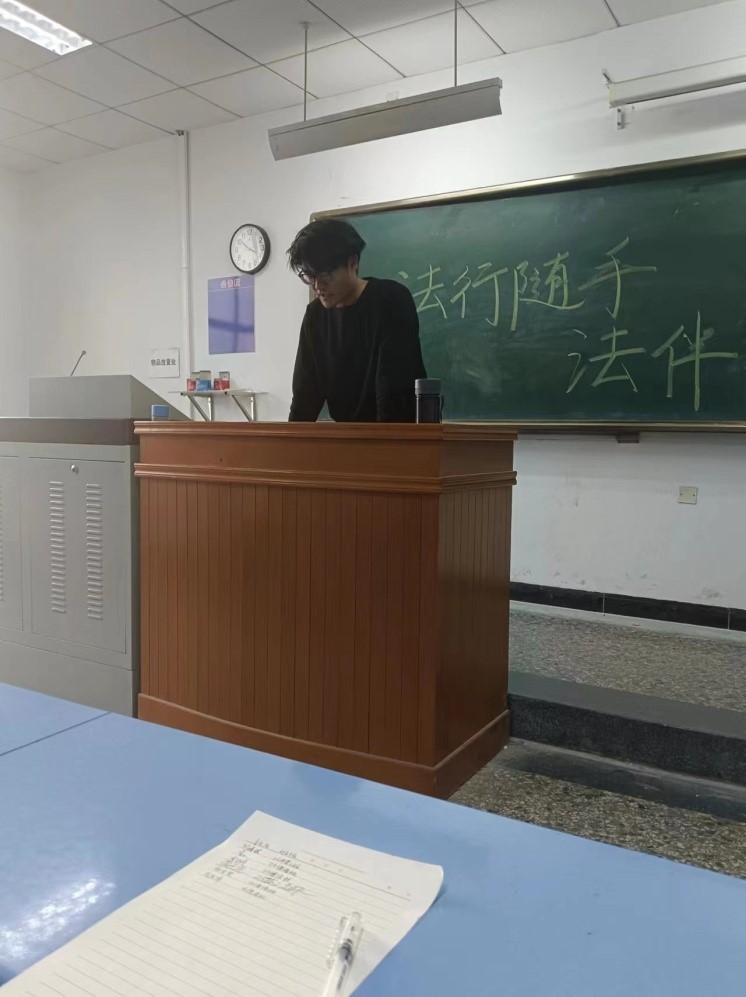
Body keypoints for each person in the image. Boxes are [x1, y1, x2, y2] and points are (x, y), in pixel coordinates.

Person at [287, 218, 427, 422]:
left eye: (325, 275)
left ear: (353, 263)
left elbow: (393, 393)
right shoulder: (315, 315)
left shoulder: (391, 300)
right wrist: (291, 439)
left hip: (396, 433)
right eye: (309, 276)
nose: (317, 286)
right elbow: (304, 396)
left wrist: (382, 442)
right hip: (349, 436)